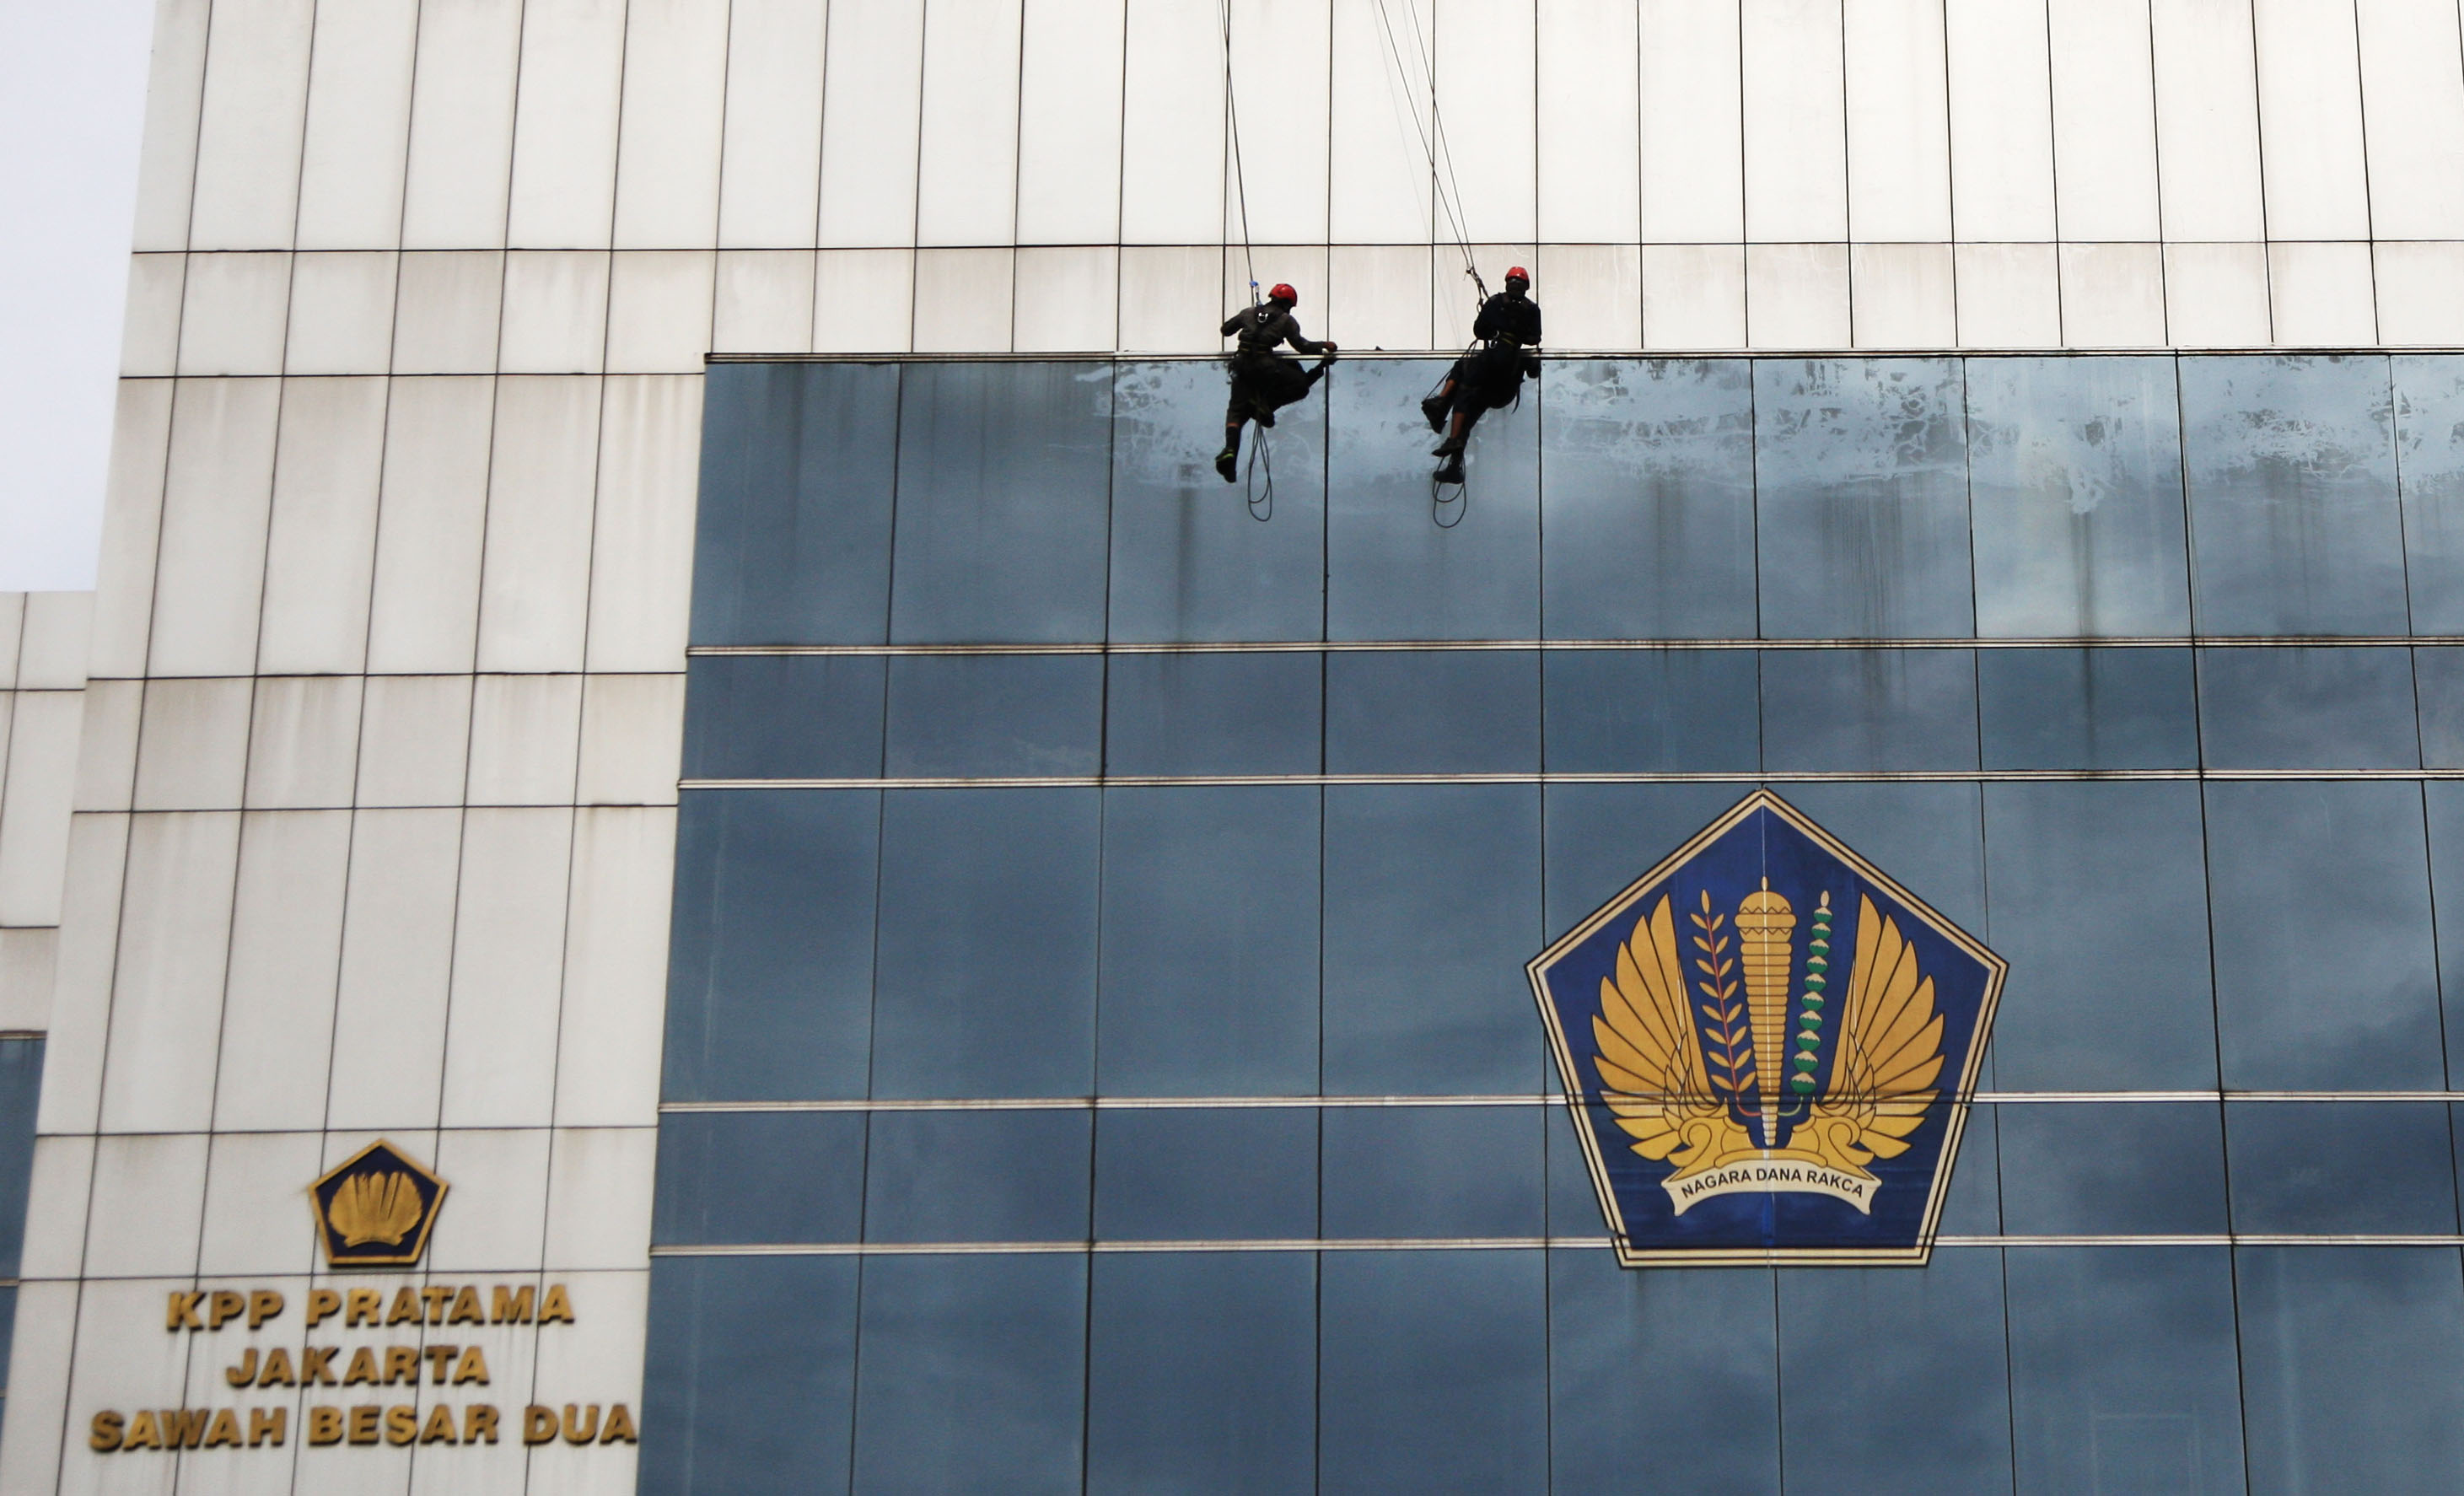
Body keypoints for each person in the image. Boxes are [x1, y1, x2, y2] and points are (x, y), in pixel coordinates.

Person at [1422, 267, 1542, 483]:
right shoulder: (1531, 309)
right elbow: (1534, 338)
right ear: (1526, 286)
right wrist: (1516, 334)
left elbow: (1479, 331)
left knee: (1464, 381)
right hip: (1506, 381)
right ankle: (1454, 464)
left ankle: (1442, 407)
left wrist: (1498, 330)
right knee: (1467, 416)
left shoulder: (1497, 302)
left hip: (1494, 366)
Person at [1217, 283, 1337, 482]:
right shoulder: (1286, 320)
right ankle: (1266, 405)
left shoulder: (1249, 312)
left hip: (1240, 366)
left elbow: (1226, 329)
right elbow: (1303, 347)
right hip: (1265, 366)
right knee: (1300, 385)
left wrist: (1250, 320)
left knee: (1236, 412)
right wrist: (1324, 346)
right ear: (1288, 304)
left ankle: (1230, 451)